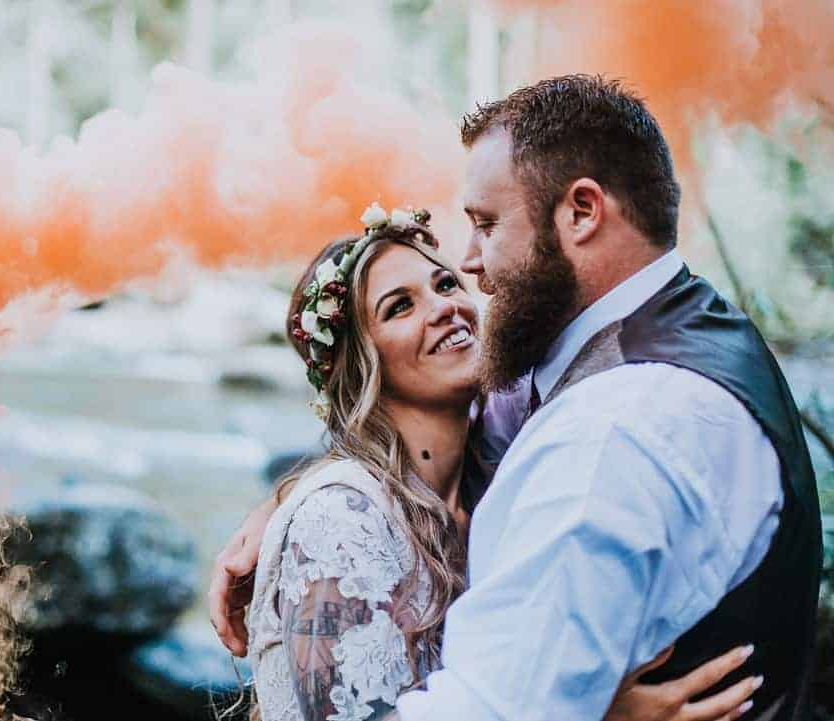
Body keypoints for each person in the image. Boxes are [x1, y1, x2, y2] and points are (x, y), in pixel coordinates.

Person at [213, 76, 821, 721]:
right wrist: (292, 504)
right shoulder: (677, 336)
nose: (470, 267)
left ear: (582, 212)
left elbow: (502, 706)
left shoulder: (611, 426)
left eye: (486, 225)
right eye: (400, 306)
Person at [241, 205, 760, 721]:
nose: (445, 308)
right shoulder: (339, 518)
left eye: (445, 285)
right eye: (400, 306)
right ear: (358, 366)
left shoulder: (505, 463)